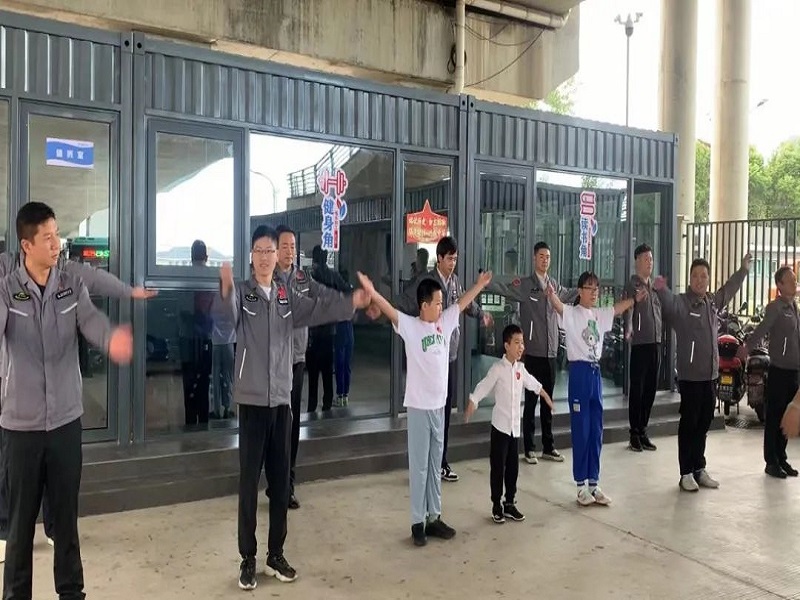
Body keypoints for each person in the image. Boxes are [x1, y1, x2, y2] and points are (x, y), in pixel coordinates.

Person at [214, 225, 370, 589]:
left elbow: (319, 308)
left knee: (281, 482)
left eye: (270, 251)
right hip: (253, 402)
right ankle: (248, 558)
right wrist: (225, 291)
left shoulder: (287, 295)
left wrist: (352, 302)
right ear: (251, 256)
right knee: (248, 483)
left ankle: (275, 555)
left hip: (281, 401)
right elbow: (224, 325)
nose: (266, 257)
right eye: (260, 251)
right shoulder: (243, 293)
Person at [0, 201, 134, 599]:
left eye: (57, 234)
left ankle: (72, 593)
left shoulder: (70, 285)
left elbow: (90, 320)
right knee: (20, 528)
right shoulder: (7, 290)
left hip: (64, 423)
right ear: (27, 245)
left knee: (66, 520)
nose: (56, 243)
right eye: (47, 237)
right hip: (21, 428)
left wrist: (111, 338)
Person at [361, 268, 492, 546]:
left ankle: (435, 517)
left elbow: (462, 303)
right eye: (437, 303)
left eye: (442, 303)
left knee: (434, 465)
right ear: (424, 305)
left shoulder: (444, 322)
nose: (441, 307)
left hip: (439, 407)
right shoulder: (411, 326)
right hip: (419, 408)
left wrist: (479, 285)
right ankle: (417, 522)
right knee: (419, 467)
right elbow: (390, 311)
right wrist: (373, 293)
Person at [395, 236, 492, 483]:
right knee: (427, 415)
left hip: (449, 355)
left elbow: (464, 304)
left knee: (444, 413)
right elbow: (403, 304)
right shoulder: (426, 282)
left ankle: (441, 461)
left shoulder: (455, 281)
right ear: (439, 258)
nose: (453, 263)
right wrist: (415, 328)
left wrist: (481, 314)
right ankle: (424, 463)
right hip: (428, 357)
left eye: (455, 259)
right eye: (449, 258)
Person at [654, 254, 751, 492]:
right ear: (690, 279)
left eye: (704, 276)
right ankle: (685, 472)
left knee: (704, 422)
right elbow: (667, 301)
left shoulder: (711, 302)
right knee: (689, 424)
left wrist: (743, 271)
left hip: (710, 375)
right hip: (690, 376)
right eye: (695, 276)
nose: (700, 280)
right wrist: (659, 286)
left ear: (708, 279)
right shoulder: (682, 303)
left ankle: (699, 468)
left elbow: (728, 290)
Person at [546, 272, 643, 507]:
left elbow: (616, 309)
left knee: (596, 430)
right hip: (579, 373)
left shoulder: (598, 315)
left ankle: (594, 483)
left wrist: (635, 300)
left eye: (596, 288)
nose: (594, 292)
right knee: (581, 430)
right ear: (580, 291)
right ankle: (581, 486)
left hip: (595, 373)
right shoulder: (572, 313)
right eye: (590, 288)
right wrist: (550, 293)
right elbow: (558, 306)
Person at [487, 241, 576, 465]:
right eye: (542, 256)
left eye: (548, 257)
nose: (545, 260)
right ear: (535, 258)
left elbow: (569, 295)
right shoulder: (526, 285)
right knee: (530, 402)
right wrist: (486, 284)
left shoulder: (554, 285)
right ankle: (529, 448)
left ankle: (549, 446)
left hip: (551, 353)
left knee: (548, 401)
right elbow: (506, 290)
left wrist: (586, 289)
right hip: (533, 353)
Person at [465, 324, 554, 524]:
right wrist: (473, 400)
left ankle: (510, 503)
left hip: (514, 428)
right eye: (517, 343)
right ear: (506, 345)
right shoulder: (498, 369)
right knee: (498, 467)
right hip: (500, 428)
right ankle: (496, 504)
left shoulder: (521, 369)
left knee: (513, 468)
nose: (521, 347)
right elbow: (484, 385)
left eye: (522, 343)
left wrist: (546, 396)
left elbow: (533, 383)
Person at [272, 225, 327, 509]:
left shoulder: (303, 279)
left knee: (291, 426)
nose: (289, 251)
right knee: (275, 426)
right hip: (272, 363)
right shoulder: (267, 278)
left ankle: (287, 485)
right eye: (285, 246)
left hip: (296, 359)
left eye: (293, 246)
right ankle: (275, 482)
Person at [737, 266, 800, 479]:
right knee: (774, 417)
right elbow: (761, 329)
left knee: (787, 417)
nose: (794, 282)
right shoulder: (775, 308)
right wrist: (746, 348)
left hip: (794, 371)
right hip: (779, 370)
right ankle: (771, 461)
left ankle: (781, 457)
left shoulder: (794, 307)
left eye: (795, 279)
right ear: (779, 285)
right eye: (790, 280)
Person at [623, 243, 663, 452]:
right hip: (640, 343)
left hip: (655, 342)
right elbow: (628, 309)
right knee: (637, 390)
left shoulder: (654, 287)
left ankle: (643, 430)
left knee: (650, 389)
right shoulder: (633, 285)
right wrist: (629, 328)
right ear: (637, 261)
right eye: (646, 259)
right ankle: (634, 433)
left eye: (651, 259)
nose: (650, 262)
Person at [307, 245, 351, 412]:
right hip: (329, 330)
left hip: (313, 331)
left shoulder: (311, 277)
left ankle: (312, 407)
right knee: (327, 372)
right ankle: (326, 405)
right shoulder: (334, 276)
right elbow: (347, 290)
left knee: (313, 375)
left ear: (314, 259)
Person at [334, 269, 355, 407]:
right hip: (349, 328)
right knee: (347, 364)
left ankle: (340, 395)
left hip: (340, 328)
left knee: (339, 363)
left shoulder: (338, 294)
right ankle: (345, 395)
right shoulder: (351, 292)